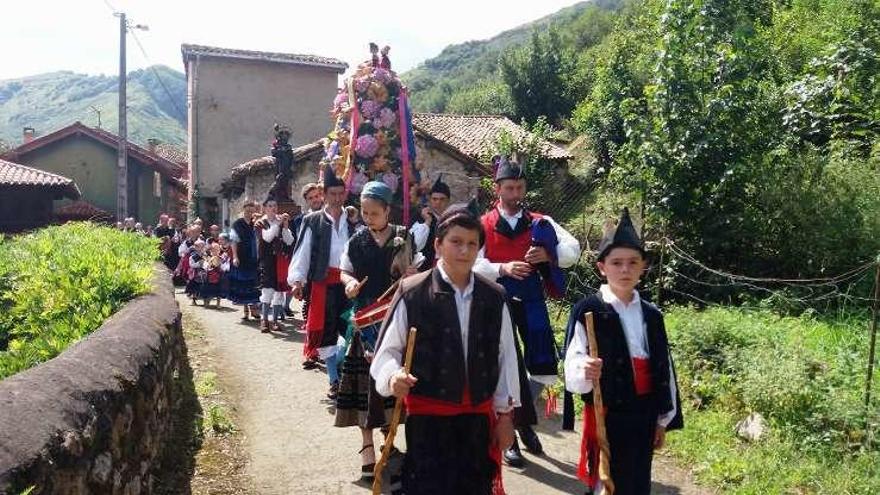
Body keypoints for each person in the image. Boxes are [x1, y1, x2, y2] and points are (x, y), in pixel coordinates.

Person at [371, 206, 520, 494]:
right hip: (428, 420)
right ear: (438, 245)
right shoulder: (412, 292)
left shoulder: (494, 297)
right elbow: (387, 352)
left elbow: (506, 358)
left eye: (472, 243)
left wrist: (505, 416)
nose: (464, 250)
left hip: (477, 421)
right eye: (456, 241)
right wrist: (392, 377)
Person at [563, 208, 683, 495]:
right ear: (602, 267)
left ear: (644, 266)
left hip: (643, 413)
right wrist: (585, 369)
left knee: (638, 480)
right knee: (605, 481)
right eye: (616, 263)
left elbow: (663, 367)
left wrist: (662, 419)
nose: (625, 270)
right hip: (607, 412)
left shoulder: (652, 315)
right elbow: (574, 359)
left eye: (633, 262)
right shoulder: (588, 310)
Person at [473, 156, 581, 467]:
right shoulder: (483, 223)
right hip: (498, 301)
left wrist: (548, 254)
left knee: (544, 365)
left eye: (519, 187)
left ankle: (522, 420)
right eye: (509, 187)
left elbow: (572, 250)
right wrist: (502, 267)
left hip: (533, 300)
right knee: (506, 366)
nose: (515, 193)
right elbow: (474, 263)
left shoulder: (540, 222)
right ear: (498, 189)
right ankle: (511, 437)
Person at [335, 181, 419, 481]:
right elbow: (344, 269)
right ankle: (367, 448)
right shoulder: (356, 240)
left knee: (392, 382)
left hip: (395, 315)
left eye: (374, 212)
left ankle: (390, 444)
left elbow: (418, 270)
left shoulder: (403, 237)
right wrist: (348, 283)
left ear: (387, 210)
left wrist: (412, 274)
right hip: (366, 318)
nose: (368, 217)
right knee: (363, 386)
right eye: (364, 212)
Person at [288, 165, 356, 370]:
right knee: (326, 330)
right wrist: (297, 280)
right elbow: (303, 252)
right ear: (324, 195)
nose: (337, 198)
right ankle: (333, 378)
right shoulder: (313, 221)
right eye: (332, 193)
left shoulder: (352, 222)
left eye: (340, 194)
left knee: (350, 328)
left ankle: (345, 373)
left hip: (348, 284)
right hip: (323, 283)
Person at [256, 195, 295, 333]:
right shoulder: (260, 223)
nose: (273, 208)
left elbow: (289, 241)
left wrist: (285, 227)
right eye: (270, 206)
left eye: (275, 206)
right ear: (265, 208)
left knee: (279, 292)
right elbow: (267, 237)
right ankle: (264, 320)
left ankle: (275, 321)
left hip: (280, 261)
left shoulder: (279, 222)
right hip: (267, 261)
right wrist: (278, 224)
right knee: (267, 291)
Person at [286, 182, 325, 319]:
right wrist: (298, 280)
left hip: (330, 271)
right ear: (306, 201)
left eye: (317, 196)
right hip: (311, 271)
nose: (315, 199)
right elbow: (302, 248)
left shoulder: (333, 216)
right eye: (311, 198)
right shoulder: (300, 220)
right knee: (312, 311)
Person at [228, 200, 262, 320]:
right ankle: (246, 310)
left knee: (254, 285)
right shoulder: (237, 224)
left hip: (255, 258)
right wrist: (235, 256)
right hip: (242, 257)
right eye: (248, 210)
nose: (250, 213)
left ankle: (254, 309)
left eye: (252, 211)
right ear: (244, 210)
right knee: (244, 285)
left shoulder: (257, 223)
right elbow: (233, 241)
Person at [412, 174, 451, 270]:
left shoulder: (451, 220)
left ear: (448, 201)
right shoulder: (421, 217)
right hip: (423, 267)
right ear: (430, 200)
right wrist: (427, 222)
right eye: (435, 199)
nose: (438, 203)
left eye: (442, 199)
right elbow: (414, 244)